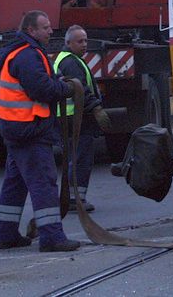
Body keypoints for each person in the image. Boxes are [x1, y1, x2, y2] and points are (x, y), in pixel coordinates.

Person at [0, 10, 81, 252]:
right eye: (45, 27)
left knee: (15, 184)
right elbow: (41, 89)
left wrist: (55, 82)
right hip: (30, 129)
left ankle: (7, 235)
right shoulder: (28, 56)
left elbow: (38, 83)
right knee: (43, 182)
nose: (50, 30)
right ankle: (52, 237)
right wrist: (65, 89)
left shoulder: (17, 53)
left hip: (15, 129)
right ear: (31, 31)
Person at [53, 24, 111, 212]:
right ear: (68, 43)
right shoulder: (70, 62)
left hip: (70, 117)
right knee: (80, 158)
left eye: (86, 40)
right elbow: (81, 90)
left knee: (76, 157)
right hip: (75, 118)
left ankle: (74, 197)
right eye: (80, 41)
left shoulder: (69, 59)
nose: (84, 44)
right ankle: (74, 199)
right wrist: (96, 109)